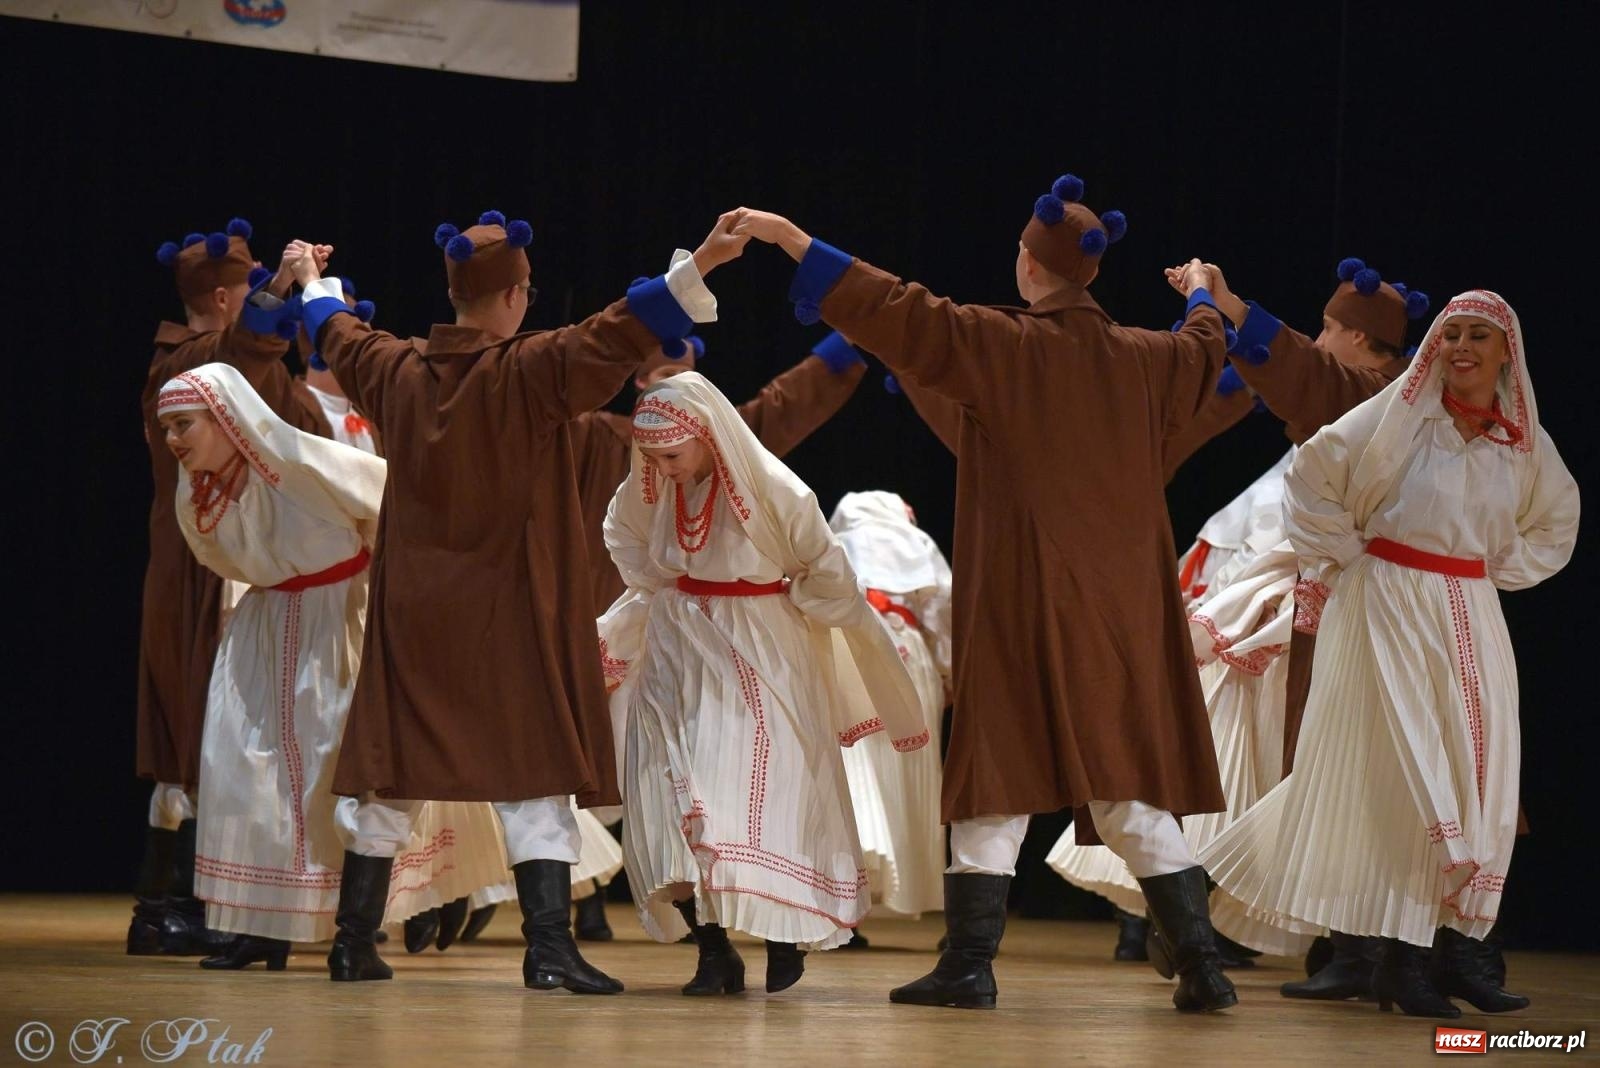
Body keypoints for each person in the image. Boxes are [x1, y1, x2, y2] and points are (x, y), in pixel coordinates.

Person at [730, 172, 1238, 1013]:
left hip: (1024, 600)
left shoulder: (1003, 342)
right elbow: (1205, 346)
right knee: (1123, 786)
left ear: (1030, 267)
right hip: (1117, 613)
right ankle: (1201, 962)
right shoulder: (1150, 358)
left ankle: (971, 964)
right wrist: (1205, 295)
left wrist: (794, 242)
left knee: (998, 769)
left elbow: (901, 308)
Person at [292, 211, 747, 989]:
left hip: (416, 613)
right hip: (508, 609)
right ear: (513, 296)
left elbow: (334, 329)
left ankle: (352, 942)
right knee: (532, 772)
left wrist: (307, 279)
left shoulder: (395, 369)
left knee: (395, 771)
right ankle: (548, 950)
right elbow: (625, 326)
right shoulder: (533, 368)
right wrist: (705, 257)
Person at [1199, 290, 1578, 1018]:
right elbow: (1313, 473)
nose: (1463, 347)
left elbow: (1556, 519)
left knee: (1477, 773)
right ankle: (1391, 961)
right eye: (1452, 333)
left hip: (1469, 609)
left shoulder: (1520, 439)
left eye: (1478, 336)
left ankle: (1440, 954)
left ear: (1506, 351)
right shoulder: (1402, 415)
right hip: (1387, 601)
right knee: (1401, 772)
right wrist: (1350, 552)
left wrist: (1500, 565)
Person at [157, 362, 509, 969]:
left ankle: (360, 926)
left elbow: (393, 502)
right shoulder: (202, 487)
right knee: (249, 777)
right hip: (265, 629)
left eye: (184, 424)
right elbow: (220, 556)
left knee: (335, 773)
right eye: (166, 428)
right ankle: (263, 926)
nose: (174, 440)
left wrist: (386, 600)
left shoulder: (299, 463)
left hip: (340, 620)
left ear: (226, 419)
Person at [597, 372, 927, 995]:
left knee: (759, 793)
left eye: (672, 455)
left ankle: (781, 937)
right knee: (672, 793)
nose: (662, 468)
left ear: (706, 437)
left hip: (760, 647)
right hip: (677, 644)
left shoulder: (773, 487)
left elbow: (827, 567)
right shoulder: (647, 485)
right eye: (654, 457)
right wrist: (659, 584)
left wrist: (793, 598)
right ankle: (714, 952)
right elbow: (622, 531)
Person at [131, 220, 330, 958]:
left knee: (231, 739)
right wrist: (284, 287)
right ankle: (169, 905)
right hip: (206, 573)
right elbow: (242, 349)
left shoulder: (218, 363)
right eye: (248, 292)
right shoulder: (185, 367)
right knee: (204, 735)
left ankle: (195, 904)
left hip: (242, 566)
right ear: (224, 296)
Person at [828, 491, 951, 942]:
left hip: (849, 657)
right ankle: (925, 892)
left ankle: (844, 908)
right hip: (907, 659)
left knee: (853, 779)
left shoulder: (832, 543)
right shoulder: (918, 546)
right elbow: (943, 613)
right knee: (910, 779)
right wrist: (950, 670)